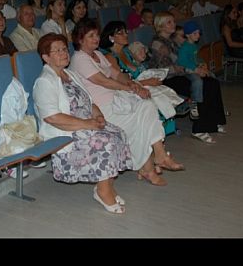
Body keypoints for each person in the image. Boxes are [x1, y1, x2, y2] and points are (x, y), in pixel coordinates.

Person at [69, 19, 184, 185]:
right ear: (80, 39)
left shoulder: (98, 54)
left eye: (97, 35)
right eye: (91, 36)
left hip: (116, 101)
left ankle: (157, 156)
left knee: (147, 105)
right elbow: (103, 81)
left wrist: (131, 83)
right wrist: (130, 89)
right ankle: (149, 167)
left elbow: (116, 74)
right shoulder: (79, 58)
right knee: (139, 124)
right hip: (100, 109)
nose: (96, 38)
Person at [33, 33, 133, 214]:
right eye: (57, 51)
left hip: (86, 123)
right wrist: (87, 124)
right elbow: (52, 118)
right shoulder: (44, 81)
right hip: (66, 130)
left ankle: (107, 185)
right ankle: (103, 192)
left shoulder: (70, 75)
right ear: (46, 57)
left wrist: (98, 116)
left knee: (118, 133)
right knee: (105, 141)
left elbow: (89, 100)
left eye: (64, 49)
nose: (64, 53)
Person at [150, 11, 227, 143]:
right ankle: (199, 129)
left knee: (212, 82)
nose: (173, 24)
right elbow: (166, 69)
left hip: (181, 74)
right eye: (169, 22)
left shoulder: (173, 40)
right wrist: (193, 70)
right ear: (160, 25)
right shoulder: (157, 43)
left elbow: (188, 57)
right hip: (167, 79)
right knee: (204, 86)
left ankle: (214, 122)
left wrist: (200, 66)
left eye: (173, 21)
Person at [176, 21, 212, 120]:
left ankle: (211, 105)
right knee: (197, 81)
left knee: (211, 76)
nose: (198, 36)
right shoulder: (184, 47)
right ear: (187, 35)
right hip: (187, 70)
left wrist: (202, 64)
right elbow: (182, 61)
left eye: (199, 33)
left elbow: (197, 58)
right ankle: (195, 104)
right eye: (195, 33)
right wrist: (196, 69)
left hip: (195, 68)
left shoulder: (194, 46)